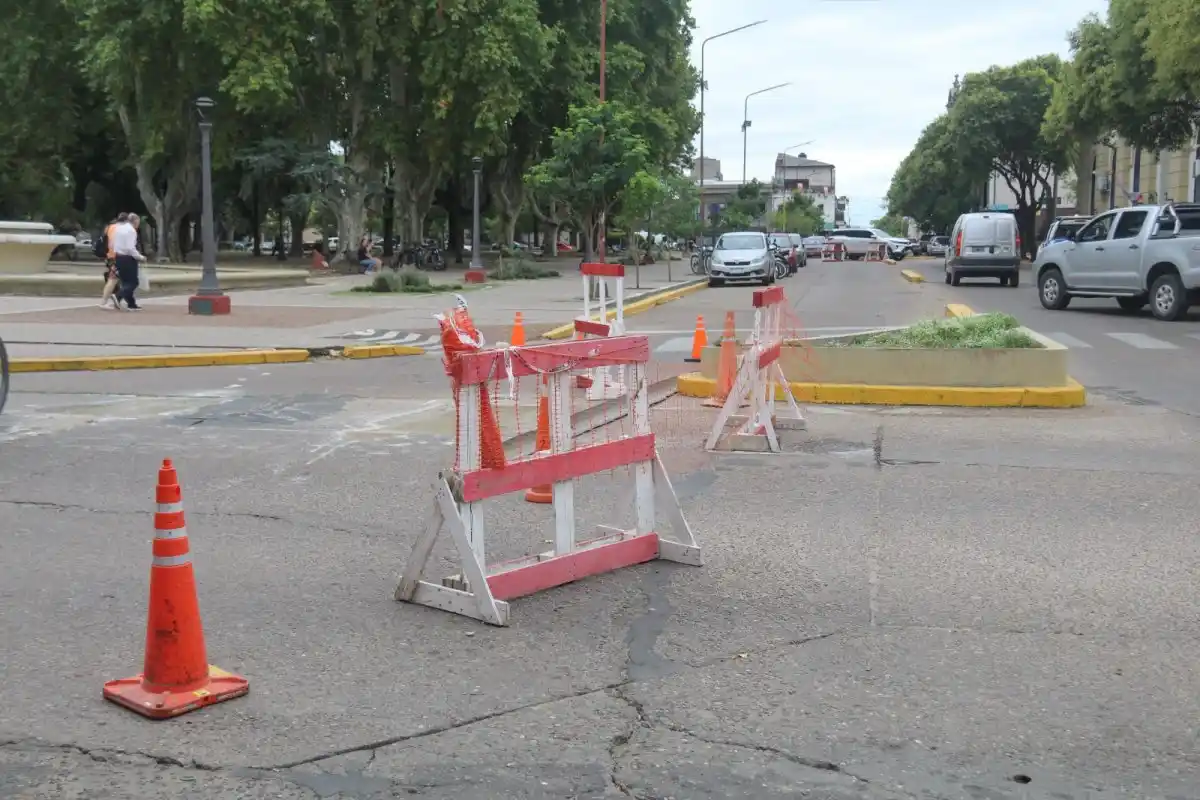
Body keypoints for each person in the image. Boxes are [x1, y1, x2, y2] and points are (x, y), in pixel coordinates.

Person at [111, 213, 146, 311]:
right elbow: (130, 248)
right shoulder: (131, 231)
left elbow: (113, 243)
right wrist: (140, 257)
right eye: (138, 222)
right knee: (133, 282)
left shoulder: (119, 228)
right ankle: (118, 296)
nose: (138, 225)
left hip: (119, 256)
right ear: (135, 221)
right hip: (128, 258)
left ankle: (131, 303)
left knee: (126, 282)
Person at [99, 212, 129, 309]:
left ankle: (117, 300)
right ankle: (105, 302)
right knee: (114, 280)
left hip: (110, 256)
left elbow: (105, 242)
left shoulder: (109, 228)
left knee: (115, 279)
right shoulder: (123, 230)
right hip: (118, 257)